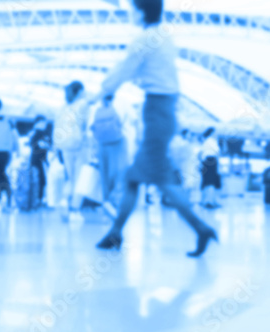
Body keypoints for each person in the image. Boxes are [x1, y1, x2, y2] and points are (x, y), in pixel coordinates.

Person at [92, 0, 217, 257]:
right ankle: (115, 233)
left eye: (132, 8)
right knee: (135, 177)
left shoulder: (145, 39)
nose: (129, 12)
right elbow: (146, 72)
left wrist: (105, 92)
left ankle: (201, 227)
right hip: (164, 110)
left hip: (157, 111)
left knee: (159, 180)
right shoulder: (164, 38)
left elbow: (124, 69)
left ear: (140, 11)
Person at [53, 81, 91, 221]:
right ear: (80, 91)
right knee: (81, 179)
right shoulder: (83, 105)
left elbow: (56, 128)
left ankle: (64, 200)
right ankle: (75, 211)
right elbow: (87, 126)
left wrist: (56, 147)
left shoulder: (62, 108)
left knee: (70, 177)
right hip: (79, 145)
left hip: (64, 146)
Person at [90, 94, 127, 217]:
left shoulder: (96, 110)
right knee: (117, 172)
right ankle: (114, 202)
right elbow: (123, 124)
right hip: (117, 142)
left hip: (102, 143)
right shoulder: (121, 105)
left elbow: (92, 128)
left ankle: (106, 202)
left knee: (104, 173)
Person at [29, 115, 52, 205]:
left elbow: (48, 145)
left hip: (43, 160)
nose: (45, 124)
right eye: (43, 122)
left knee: (43, 180)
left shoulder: (45, 133)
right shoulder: (35, 133)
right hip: (36, 160)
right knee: (38, 179)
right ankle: (37, 199)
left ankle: (40, 198)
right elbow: (34, 145)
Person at [199, 127, 222, 209]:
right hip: (210, 162)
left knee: (208, 182)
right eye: (215, 132)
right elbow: (217, 152)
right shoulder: (210, 141)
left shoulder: (206, 141)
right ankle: (209, 202)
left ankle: (209, 201)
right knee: (210, 182)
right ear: (211, 133)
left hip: (208, 162)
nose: (216, 134)